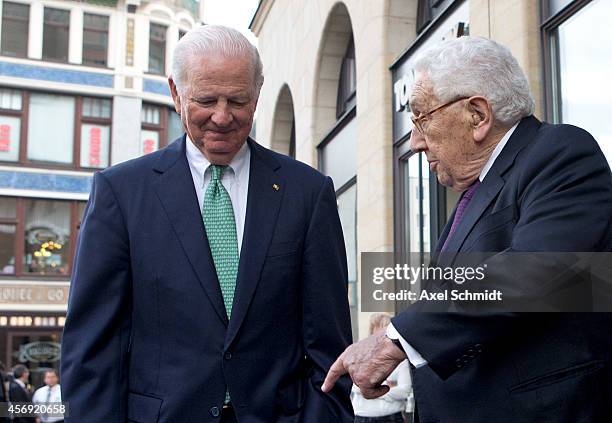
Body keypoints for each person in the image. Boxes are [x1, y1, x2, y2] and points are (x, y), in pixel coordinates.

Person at [61, 25, 353, 422]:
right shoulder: (121, 194)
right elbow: (92, 350)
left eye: (237, 100)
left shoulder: (307, 193)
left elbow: (328, 345)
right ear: (175, 93)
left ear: (257, 95)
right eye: (205, 99)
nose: (222, 116)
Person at [323, 36, 612, 422]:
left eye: (422, 118)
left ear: (477, 115)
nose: (414, 142)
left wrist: (396, 340)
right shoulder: (473, 194)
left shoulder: (559, 154)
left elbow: (532, 272)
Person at [351, 313, 412, 423]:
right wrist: (387, 386)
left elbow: (404, 392)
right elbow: (354, 388)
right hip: (362, 417)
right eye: (377, 327)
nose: (381, 333)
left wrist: (371, 387)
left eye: (384, 328)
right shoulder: (360, 356)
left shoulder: (400, 359)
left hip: (391, 417)